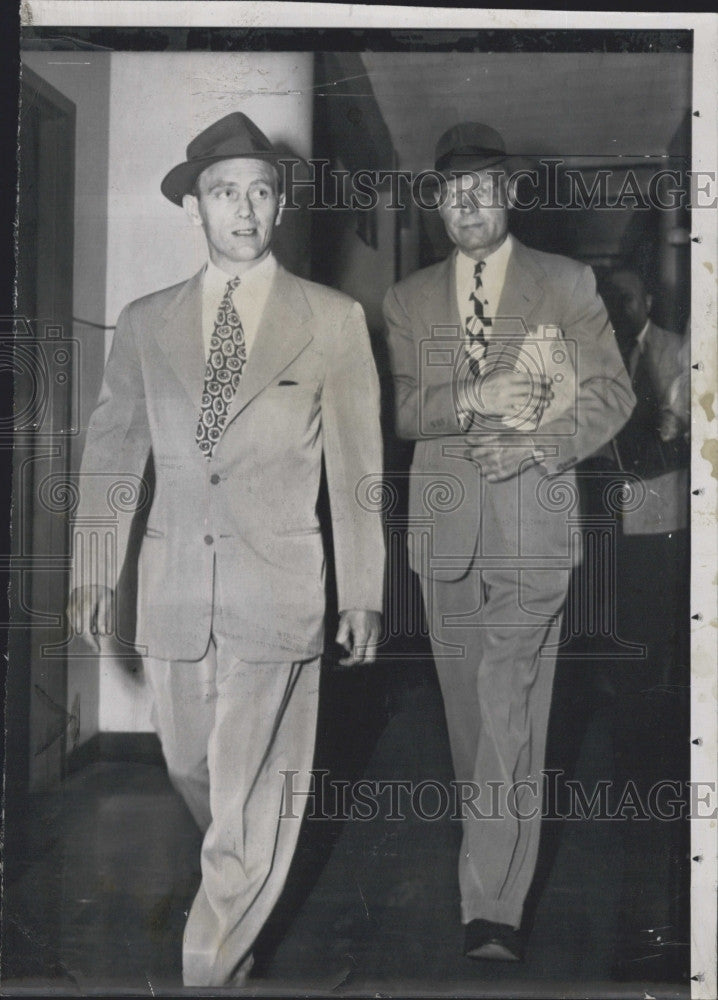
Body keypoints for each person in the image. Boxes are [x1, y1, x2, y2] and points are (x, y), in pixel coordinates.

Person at [67, 111, 385, 988]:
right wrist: (96, 569)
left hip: (278, 590)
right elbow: (112, 451)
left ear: (279, 207)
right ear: (193, 210)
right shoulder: (143, 323)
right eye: (221, 193)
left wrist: (364, 589)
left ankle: (208, 961)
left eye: (258, 192)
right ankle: (238, 903)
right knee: (193, 768)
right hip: (174, 590)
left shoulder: (332, 319)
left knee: (245, 804)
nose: (242, 210)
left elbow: (360, 468)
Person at [382, 122, 635, 962]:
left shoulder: (565, 282)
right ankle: (492, 859)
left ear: (513, 195)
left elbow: (611, 395)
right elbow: (407, 412)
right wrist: (474, 395)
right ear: (438, 202)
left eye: (485, 188)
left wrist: (542, 443)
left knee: (510, 706)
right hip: (444, 538)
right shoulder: (408, 298)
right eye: (454, 192)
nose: (469, 205)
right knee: (473, 721)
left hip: (533, 524)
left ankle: (491, 908)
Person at [595, 267, 690, 979]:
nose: (618, 308)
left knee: (652, 629)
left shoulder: (680, 350)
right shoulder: (592, 349)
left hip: (658, 518)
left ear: (647, 302)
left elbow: (684, 441)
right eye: (609, 299)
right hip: (603, 519)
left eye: (626, 297)